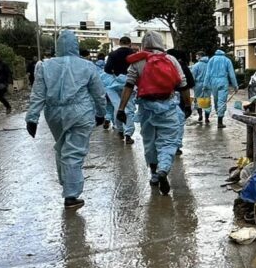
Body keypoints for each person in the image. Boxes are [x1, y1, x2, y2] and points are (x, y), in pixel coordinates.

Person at [26, 29, 107, 209]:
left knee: (61, 147)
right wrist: (101, 113)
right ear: (76, 46)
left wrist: (32, 118)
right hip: (81, 112)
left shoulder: (44, 66)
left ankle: (66, 184)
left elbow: (38, 94)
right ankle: (71, 194)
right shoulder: (87, 66)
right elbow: (99, 93)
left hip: (54, 113)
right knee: (74, 152)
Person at [118, 31, 190, 195]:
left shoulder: (137, 61)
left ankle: (153, 174)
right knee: (168, 141)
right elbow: (183, 84)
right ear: (160, 43)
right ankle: (163, 169)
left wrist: (121, 108)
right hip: (169, 106)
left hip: (146, 108)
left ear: (143, 44)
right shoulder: (170, 59)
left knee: (149, 141)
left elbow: (128, 85)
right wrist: (187, 105)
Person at [102, 35, 138, 145]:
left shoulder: (112, 54)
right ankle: (128, 135)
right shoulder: (134, 54)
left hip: (115, 84)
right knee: (129, 109)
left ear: (120, 43)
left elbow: (107, 69)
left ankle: (120, 131)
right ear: (130, 43)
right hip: (129, 84)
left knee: (118, 107)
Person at [203, 48, 238, 126]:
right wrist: (235, 86)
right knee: (221, 101)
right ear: (224, 53)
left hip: (213, 82)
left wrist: (205, 85)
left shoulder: (211, 60)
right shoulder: (227, 60)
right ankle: (220, 121)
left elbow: (207, 74)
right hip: (223, 81)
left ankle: (218, 114)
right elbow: (232, 75)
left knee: (216, 100)